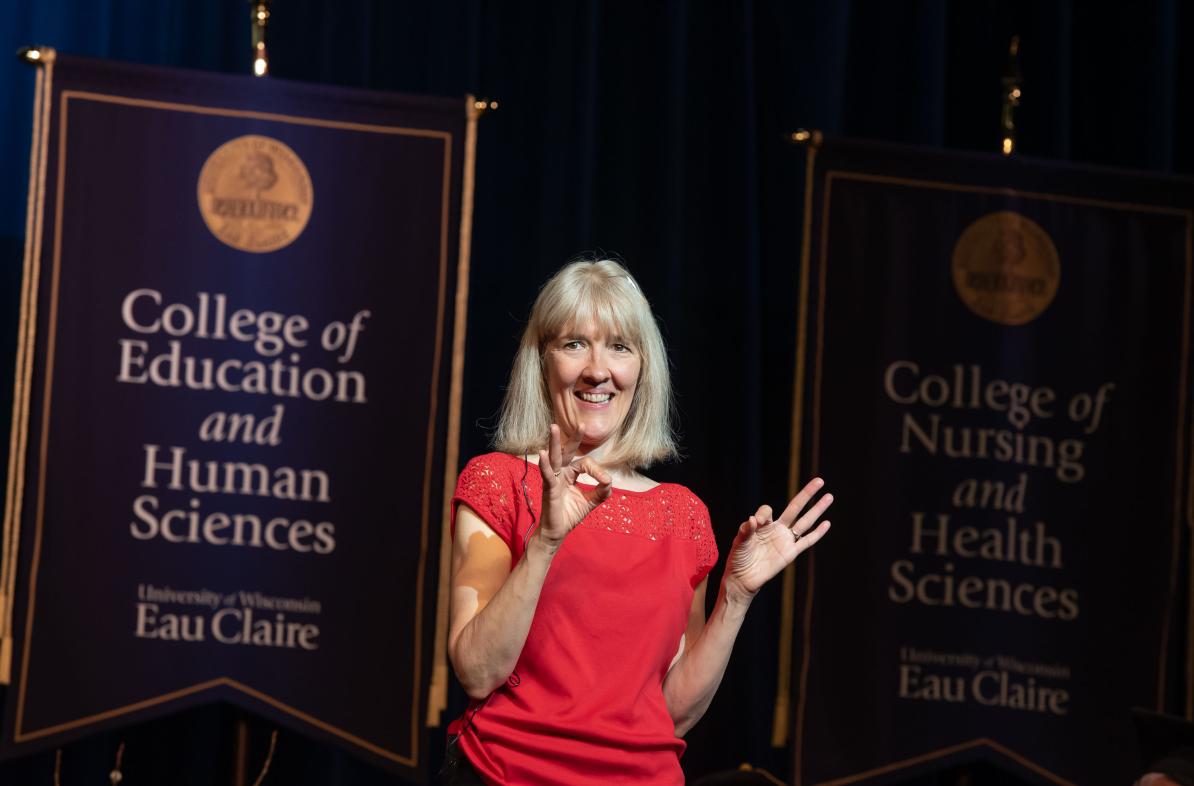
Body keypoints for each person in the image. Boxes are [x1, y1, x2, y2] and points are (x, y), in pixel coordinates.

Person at [443, 258, 833, 785]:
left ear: (642, 369)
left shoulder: (682, 514)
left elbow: (673, 714)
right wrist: (546, 543)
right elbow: (478, 672)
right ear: (541, 361)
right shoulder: (498, 481)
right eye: (574, 343)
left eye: (620, 347)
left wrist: (736, 597)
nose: (598, 369)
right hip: (506, 774)